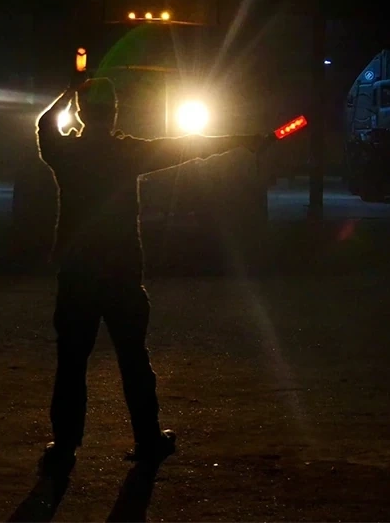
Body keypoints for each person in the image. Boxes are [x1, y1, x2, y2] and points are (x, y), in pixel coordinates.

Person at [35, 74, 271, 475]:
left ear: (81, 113)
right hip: (122, 272)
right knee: (133, 358)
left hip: (77, 273)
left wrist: (68, 92)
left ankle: (65, 445)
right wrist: (243, 140)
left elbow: (44, 125)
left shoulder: (67, 154)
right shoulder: (127, 153)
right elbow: (188, 147)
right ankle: (147, 439)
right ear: (114, 113)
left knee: (72, 362)